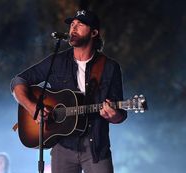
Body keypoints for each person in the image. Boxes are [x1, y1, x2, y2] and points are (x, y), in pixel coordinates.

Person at [10, 10, 127, 173]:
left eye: (80, 25)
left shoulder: (109, 67)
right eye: (72, 25)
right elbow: (18, 81)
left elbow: (120, 113)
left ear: (94, 32)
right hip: (62, 147)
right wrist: (31, 107)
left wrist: (114, 115)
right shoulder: (56, 61)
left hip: (95, 147)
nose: (73, 28)